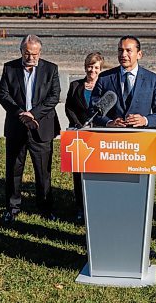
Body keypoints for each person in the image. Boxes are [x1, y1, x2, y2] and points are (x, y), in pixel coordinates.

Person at [0, 34, 61, 223]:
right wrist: (21, 114)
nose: (31, 57)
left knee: (43, 172)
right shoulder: (9, 68)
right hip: (16, 128)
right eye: (27, 53)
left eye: (35, 54)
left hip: (41, 129)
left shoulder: (51, 69)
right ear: (21, 52)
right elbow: (4, 95)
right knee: (14, 170)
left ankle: (45, 207)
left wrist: (33, 114)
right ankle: (13, 207)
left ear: (40, 52)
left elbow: (54, 96)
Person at [90, 35, 156, 128]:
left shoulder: (153, 80)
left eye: (128, 51)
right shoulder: (105, 78)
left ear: (139, 54)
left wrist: (145, 120)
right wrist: (109, 122)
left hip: (141, 137)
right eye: (120, 50)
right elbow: (93, 110)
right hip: (111, 138)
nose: (123, 55)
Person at [65, 52, 105, 222]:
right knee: (80, 173)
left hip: (99, 134)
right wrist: (78, 124)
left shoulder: (104, 87)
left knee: (98, 172)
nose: (92, 70)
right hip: (80, 135)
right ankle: (81, 207)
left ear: (100, 69)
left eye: (96, 67)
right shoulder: (75, 86)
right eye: (90, 66)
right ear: (85, 67)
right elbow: (69, 108)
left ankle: (97, 205)